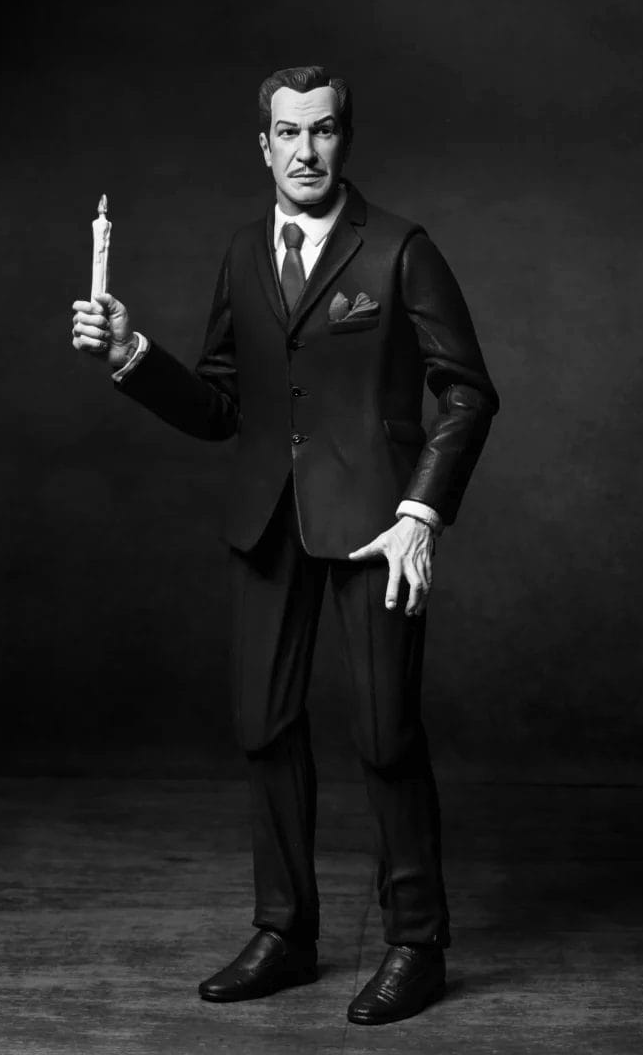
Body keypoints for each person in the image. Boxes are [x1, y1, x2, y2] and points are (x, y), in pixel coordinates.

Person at [71, 64, 499, 1026]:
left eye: (324, 130)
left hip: (376, 530)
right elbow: (221, 406)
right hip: (266, 524)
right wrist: (132, 357)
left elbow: (467, 393)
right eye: (288, 133)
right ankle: (285, 933)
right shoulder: (241, 251)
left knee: (385, 736)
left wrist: (420, 514)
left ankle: (416, 944)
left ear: (345, 138)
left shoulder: (399, 249)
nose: (306, 151)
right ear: (262, 145)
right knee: (262, 729)